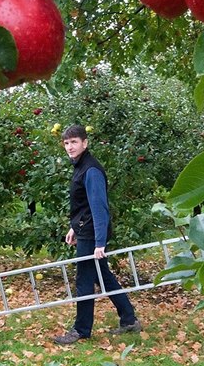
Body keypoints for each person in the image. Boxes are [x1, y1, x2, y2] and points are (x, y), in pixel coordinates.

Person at [53, 125, 142, 345]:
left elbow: (99, 207)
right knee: (103, 277)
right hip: (86, 231)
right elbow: (85, 206)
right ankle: (129, 319)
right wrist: (75, 226)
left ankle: (81, 330)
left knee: (84, 281)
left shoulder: (90, 170)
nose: (70, 147)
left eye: (74, 142)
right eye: (66, 143)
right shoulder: (81, 167)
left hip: (92, 236)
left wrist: (99, 242)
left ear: (85, 143)